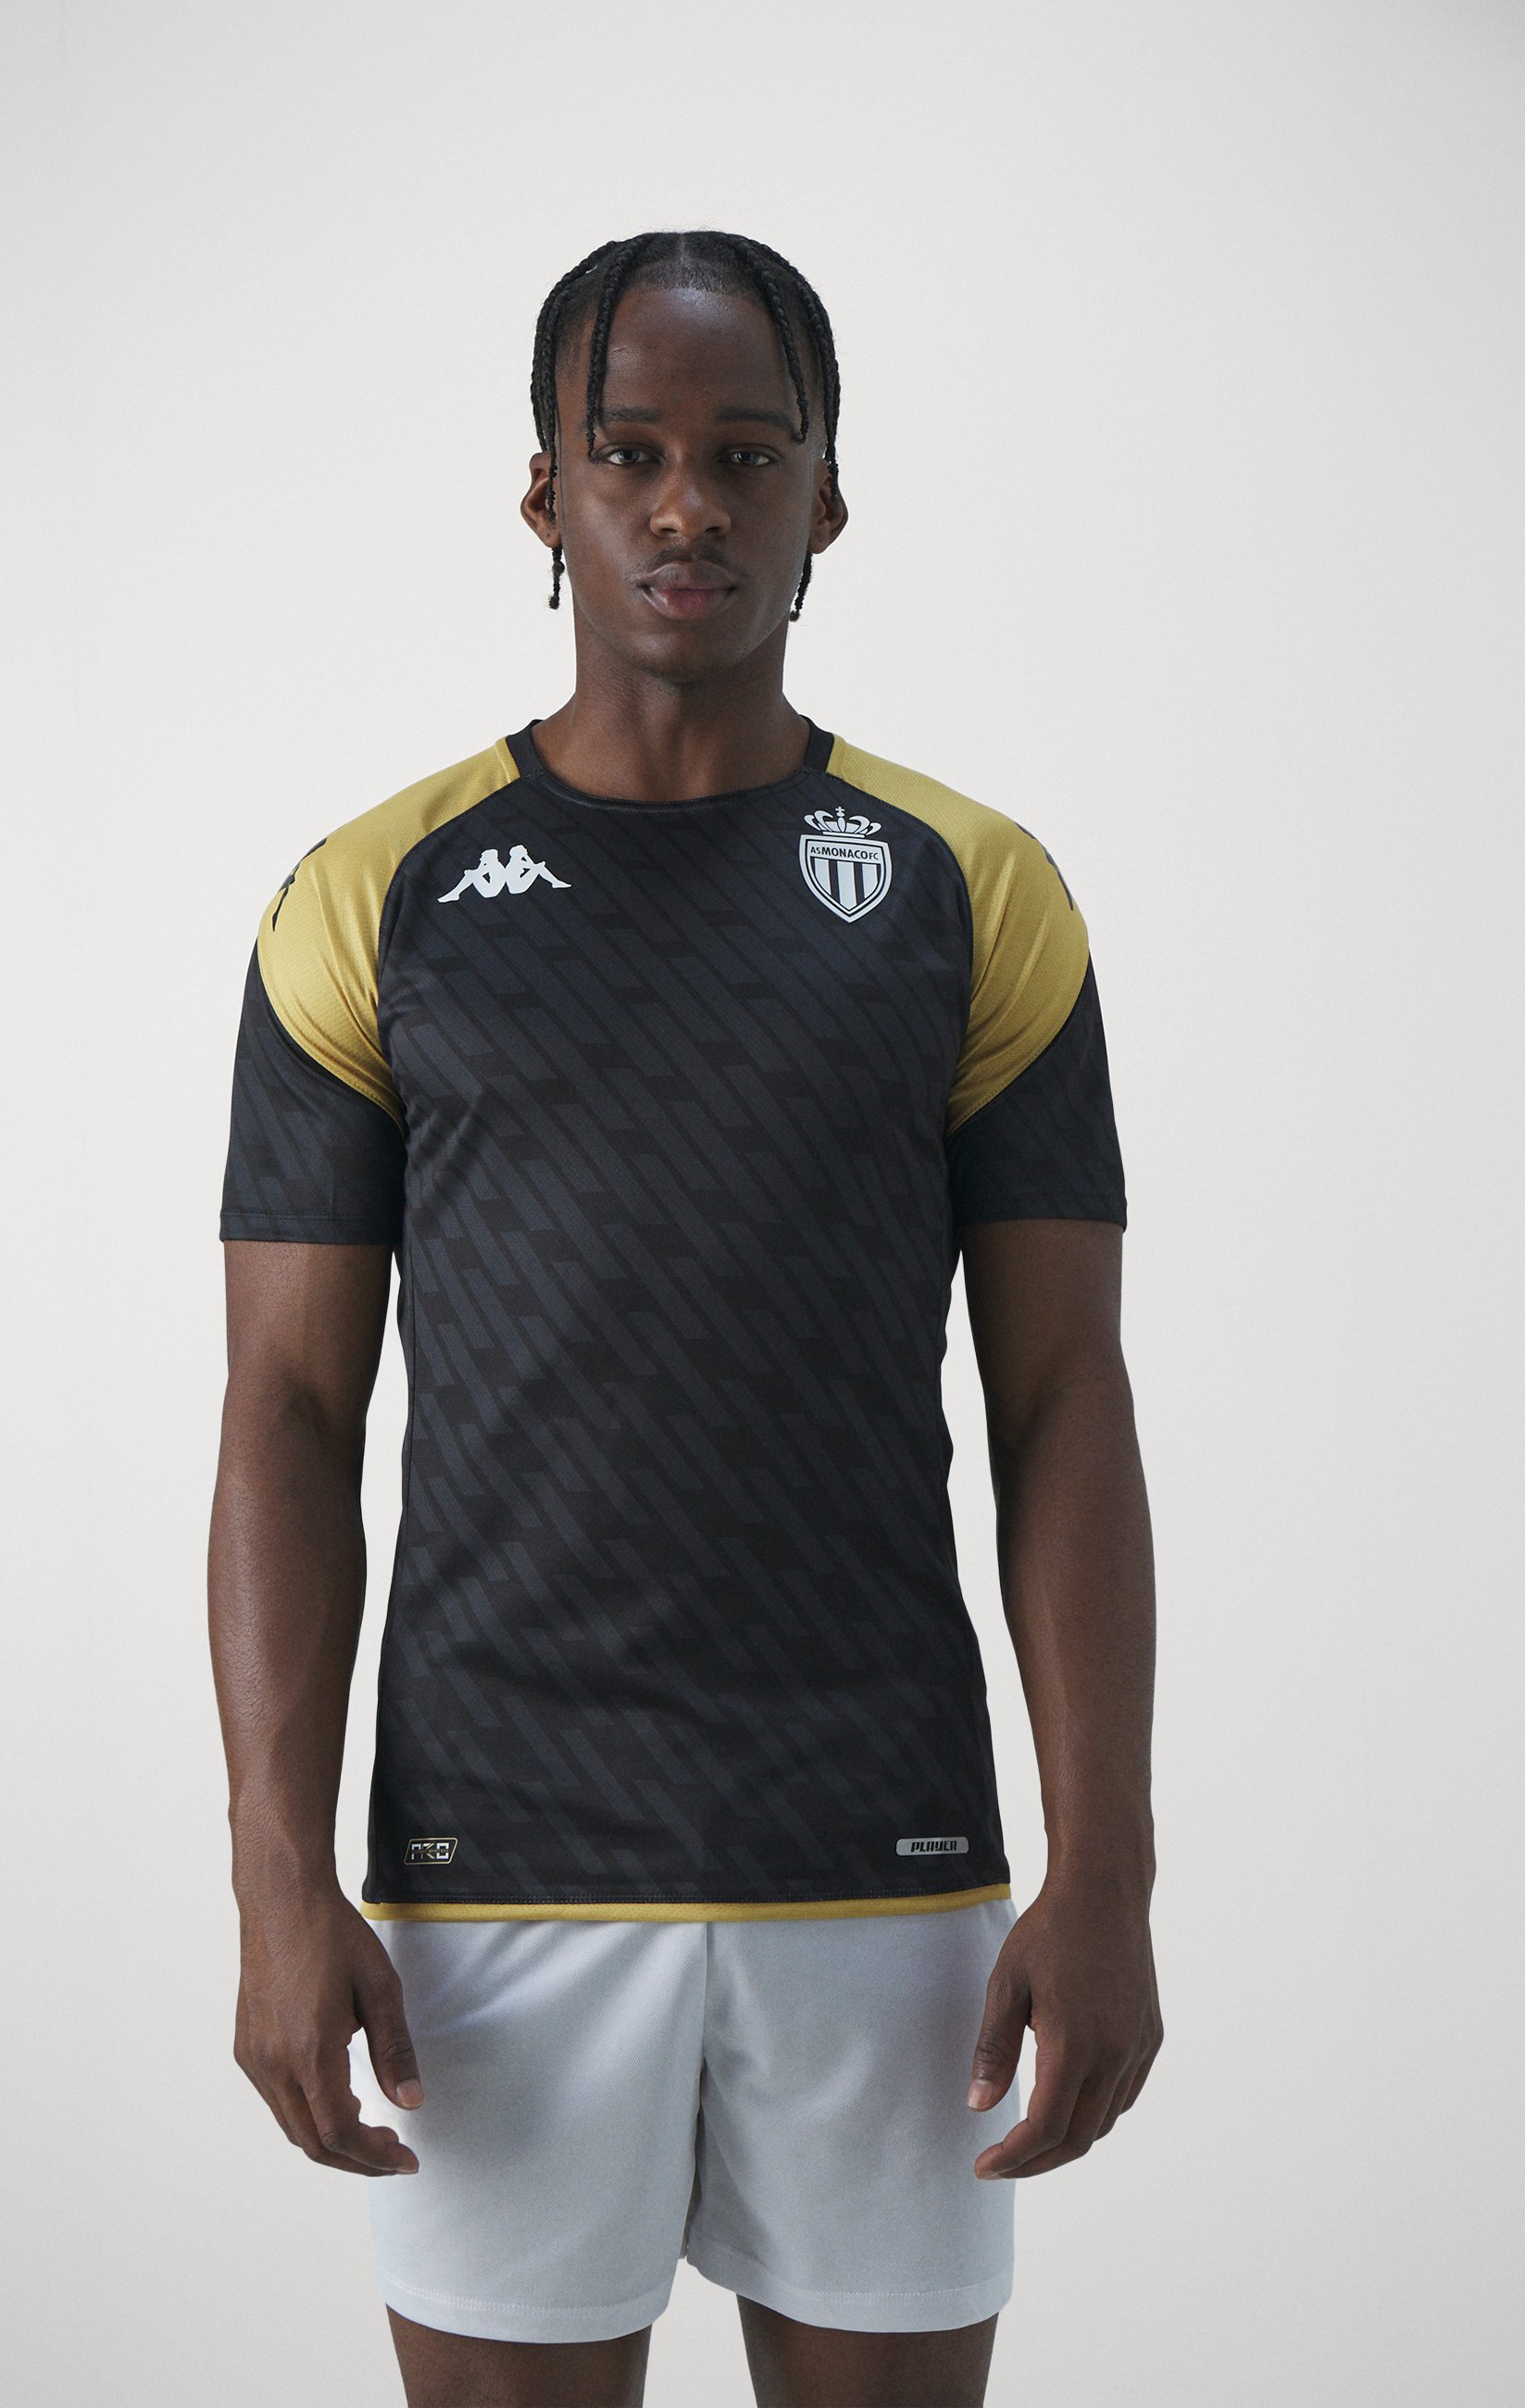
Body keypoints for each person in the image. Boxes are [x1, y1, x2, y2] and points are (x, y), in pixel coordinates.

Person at [208, 228, 1161, 2408]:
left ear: (828, 493)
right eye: (628, 449)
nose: (687, 504)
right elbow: (282, 1413)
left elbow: (1063, 1397)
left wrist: (1101, 1863)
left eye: (747, 453)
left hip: (884, 1866)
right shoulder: (372, 895)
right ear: (542, 491)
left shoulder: (968, 888)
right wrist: (275, 1877)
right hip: (496, 1874)